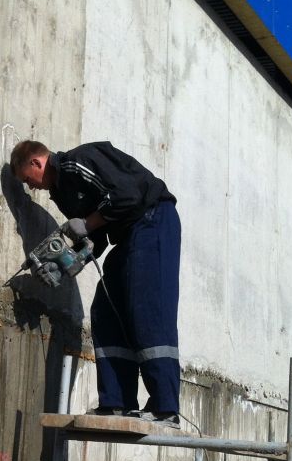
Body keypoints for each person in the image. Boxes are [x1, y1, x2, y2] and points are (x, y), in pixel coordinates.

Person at [11, 140, 181, 427]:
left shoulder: (78, 162)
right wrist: (63, 264)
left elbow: (127, 195)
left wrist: (88, 224)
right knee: (105, 312)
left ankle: (166, 408)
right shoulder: (62, 194)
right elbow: (96, 241)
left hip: (152, 220)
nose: (31, 187)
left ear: (36, 163)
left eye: (28, 180)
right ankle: (117, 403)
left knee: (147, 310)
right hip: (127, 236)